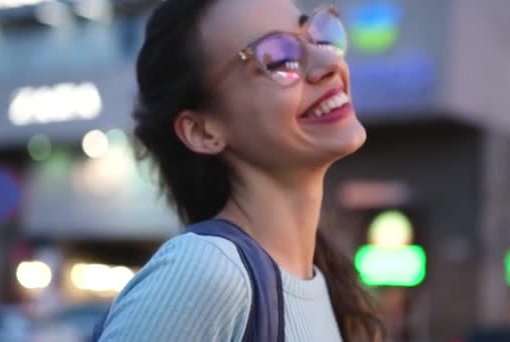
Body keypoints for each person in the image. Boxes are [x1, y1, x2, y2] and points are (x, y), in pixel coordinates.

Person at [98, 0, 383, 340]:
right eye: (279, 58)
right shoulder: (206, 271)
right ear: (203, 131)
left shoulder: (325, 286)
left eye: (318, 35)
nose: (328, 62)